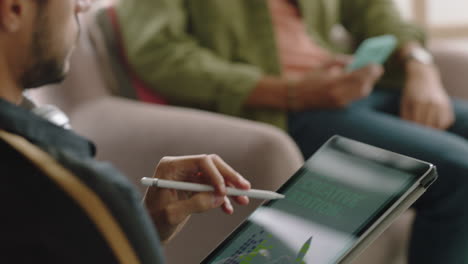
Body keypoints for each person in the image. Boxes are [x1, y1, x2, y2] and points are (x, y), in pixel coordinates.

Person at [114, 0, 468, 263]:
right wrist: (293, 91)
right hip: (286, 110)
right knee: (459, 171)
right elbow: (160, 54)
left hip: (351, 89)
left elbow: (372, 8)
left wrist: (420, 67)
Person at [0, 0, 253, 263]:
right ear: (14, 9)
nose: (83, 6)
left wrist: (141, 231)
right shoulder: (70, 188)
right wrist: (120, 220)